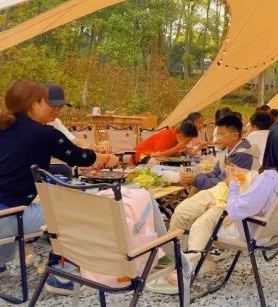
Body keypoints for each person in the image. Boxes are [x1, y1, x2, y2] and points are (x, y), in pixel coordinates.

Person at [152, 121, 278, 295]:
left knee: (201, 223)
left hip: (249, 231)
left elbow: (235, 211)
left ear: (273, 145)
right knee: (204, 214)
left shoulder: (269, 177)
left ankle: (187, 269)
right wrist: (245, 175)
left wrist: (232, 184)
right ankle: (195, 261)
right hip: (269, 229)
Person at [0, 80, 119, 292]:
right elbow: (79, 157)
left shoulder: (5, 126)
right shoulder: (43, 133)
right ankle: (61, 276)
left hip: (5, 211)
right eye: (47, 102)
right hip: (8, 217)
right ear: (33, 104)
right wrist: (106, 158)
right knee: (75, 209)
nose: (55, 109)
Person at [179, 114, 259, 192]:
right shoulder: (226, 149)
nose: (218, 138)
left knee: (197, 187)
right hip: (227, 190)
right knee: (196, 187)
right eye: (217, 134)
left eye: (221, 134)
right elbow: (215, 173)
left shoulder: (242, 155)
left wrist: (195, 179)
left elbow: (222, 183)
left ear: (234, 136)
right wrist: (195, 177)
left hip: (238, 195)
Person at [134, 121, 198, 163]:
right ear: (181, 136)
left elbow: (172, 154)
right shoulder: (166, 135)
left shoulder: (176, 138)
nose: (189, 142)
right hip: (141, 157)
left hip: (153, 156)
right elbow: (158, 155)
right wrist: (177, 148)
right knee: (156, 161)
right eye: (189, 140)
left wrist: (184, 153)